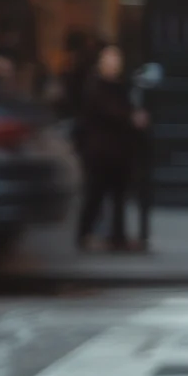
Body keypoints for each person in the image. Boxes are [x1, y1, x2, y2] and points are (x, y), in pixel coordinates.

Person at [73, 44, 149, 253]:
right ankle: (85, 234)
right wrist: (131, 117)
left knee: (118, 197)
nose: (114, 63)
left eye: (117, 59)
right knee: (95, 194)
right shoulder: (96, 85)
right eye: (110, 59)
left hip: (119, 151)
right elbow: (109, 111)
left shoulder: (119, 85)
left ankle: (118, 237)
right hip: (100, 151)